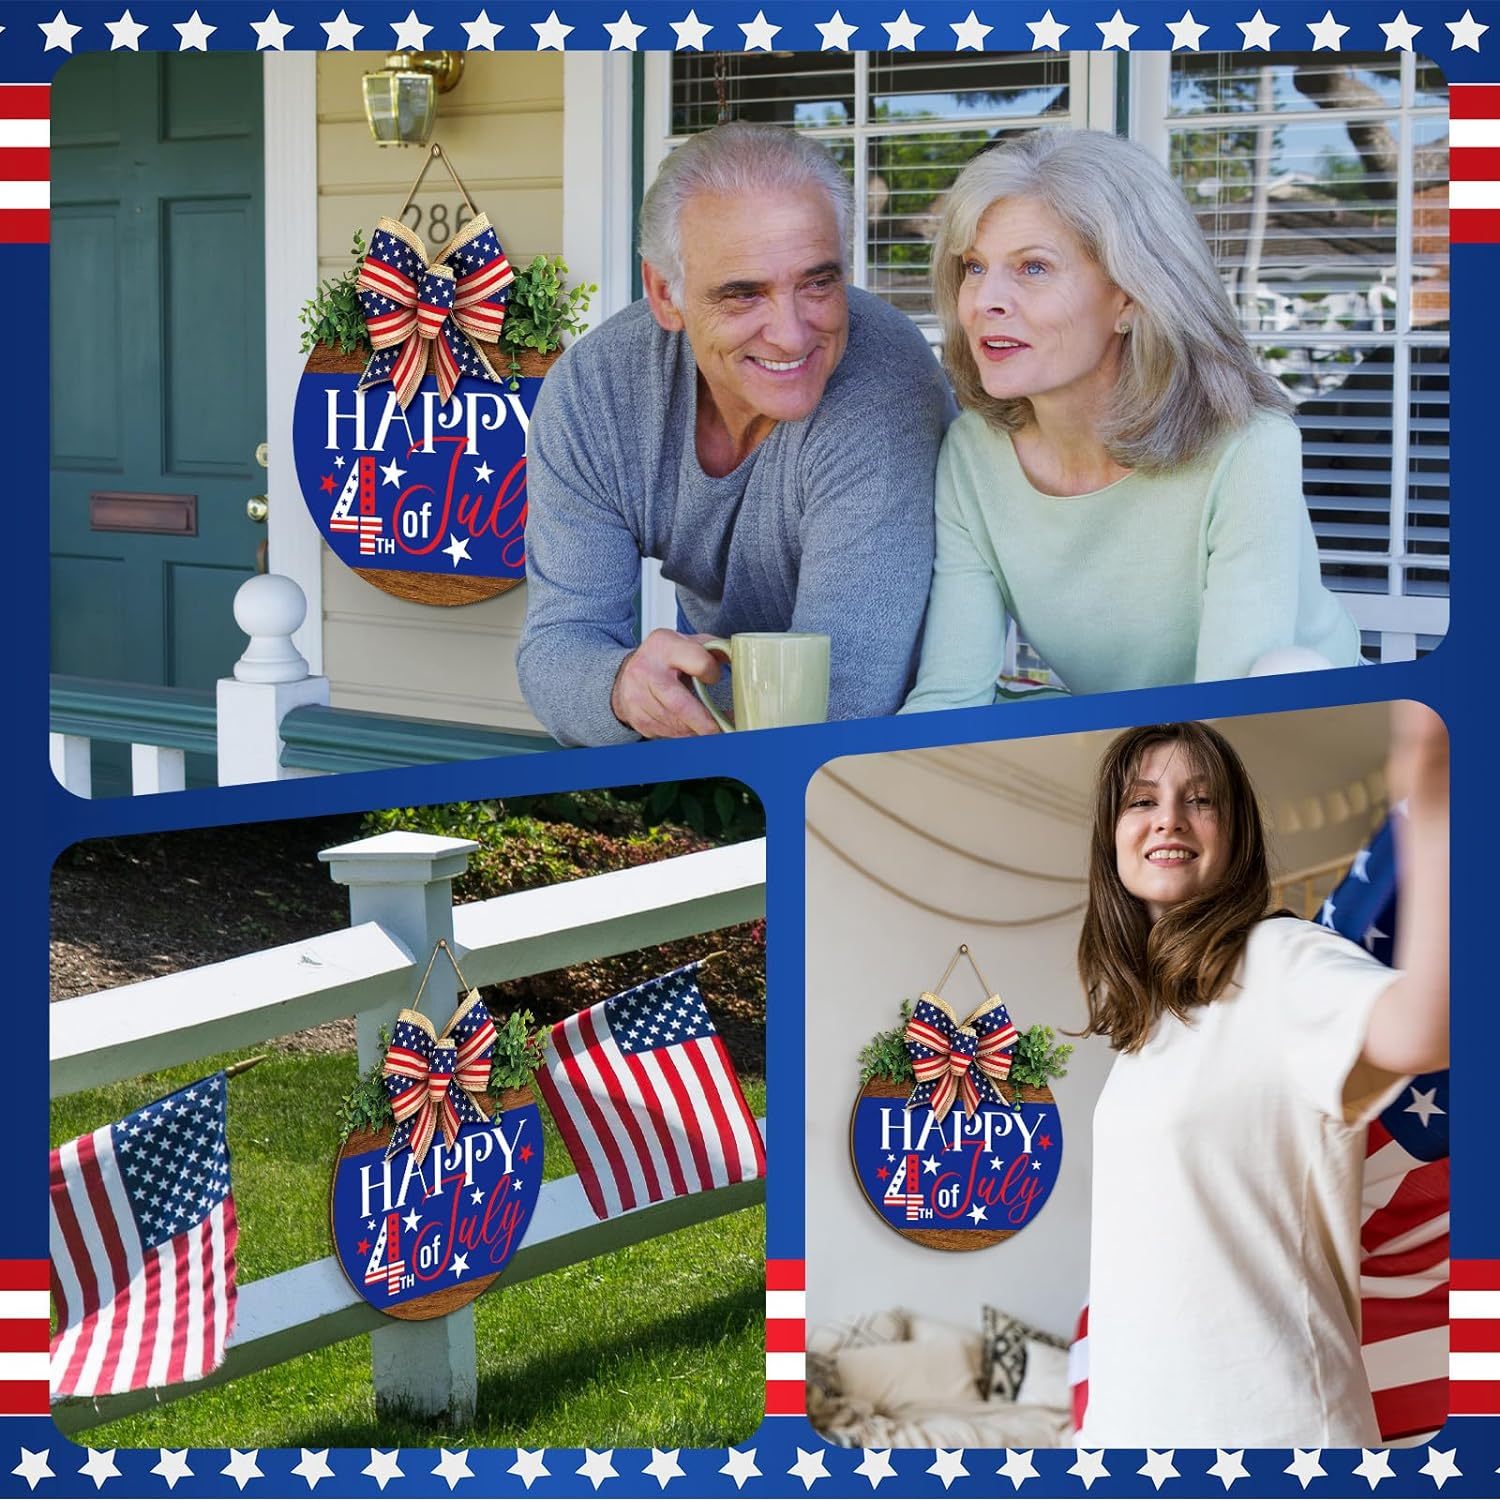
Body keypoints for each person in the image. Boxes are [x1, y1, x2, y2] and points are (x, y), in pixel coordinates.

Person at [1074, 708, 1449, 1448]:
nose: (1169, 819)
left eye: (1201, 798)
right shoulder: (1145, 1031)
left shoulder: (1279, 957)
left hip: (1273, 1441)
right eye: (1142, 800)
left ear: (1235, 832)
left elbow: (1423, 1028)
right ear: (1111, 837)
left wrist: (1430, 806)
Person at [517, 122, 952, 746]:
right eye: (743, 295)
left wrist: (680, 700)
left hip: (906, 755)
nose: (793, 334)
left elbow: (844, 699)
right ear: (666, 294)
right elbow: (558, 644)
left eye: (818, 283)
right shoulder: (596, 394)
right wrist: (619, 686)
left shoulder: (884, 381)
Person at [900, 130, 1361, 714]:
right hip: (1139, 756)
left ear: (1130, 298)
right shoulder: (972, 451)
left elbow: (1228, 715)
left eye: (1033, 268)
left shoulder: (1251, 447)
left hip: (1306, 739)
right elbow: (950, 695)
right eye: (973, 266)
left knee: (1281, 674)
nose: (984, 300)